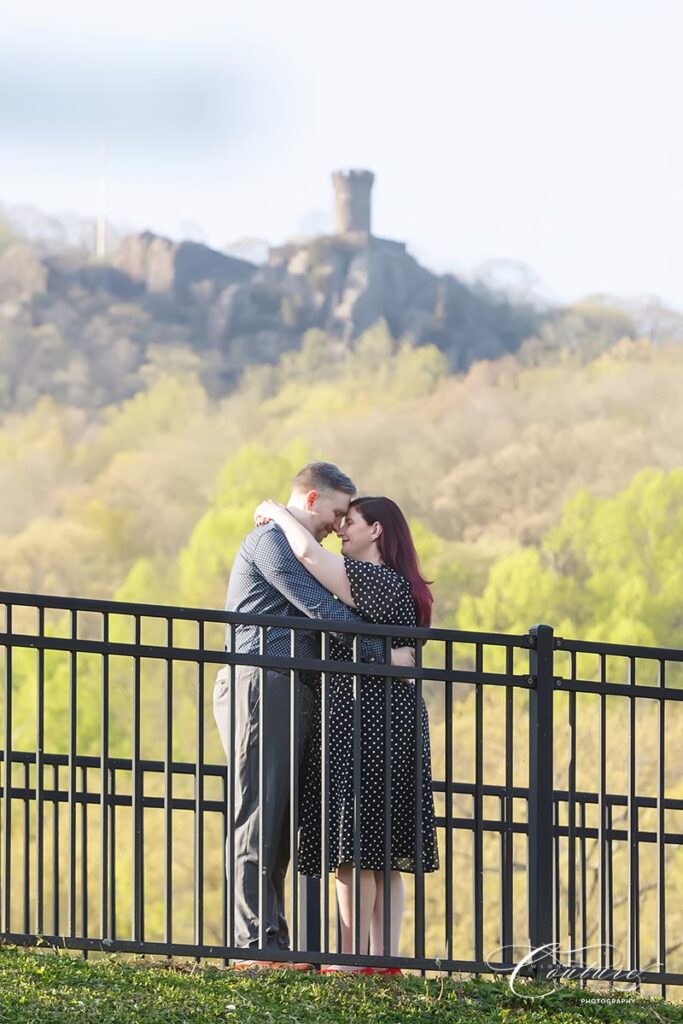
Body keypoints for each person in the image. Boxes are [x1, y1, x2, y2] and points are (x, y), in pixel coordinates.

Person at [213, 463, 414, 969]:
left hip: (292, 686)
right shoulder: (270, 544)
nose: (338, 523)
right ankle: (255, 945)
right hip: (262, 680)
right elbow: (320, 610)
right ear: (310, 502)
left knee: (277, 819)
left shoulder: (299, 545)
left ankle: (270, 941)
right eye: (336, 511)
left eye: (348, 517)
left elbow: (328, 602)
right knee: (259, 810)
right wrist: (384, 653)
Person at [253, 494, 439, 971]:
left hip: (366, 716)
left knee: (352, 848)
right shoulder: (406, 586)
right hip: (394, 717)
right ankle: (385, 959)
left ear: (376, 531)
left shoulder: (374, 579)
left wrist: (276, 514)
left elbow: (308, 556)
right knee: (379, 851)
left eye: (351, 522)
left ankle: (353, 959)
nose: (342, 530)